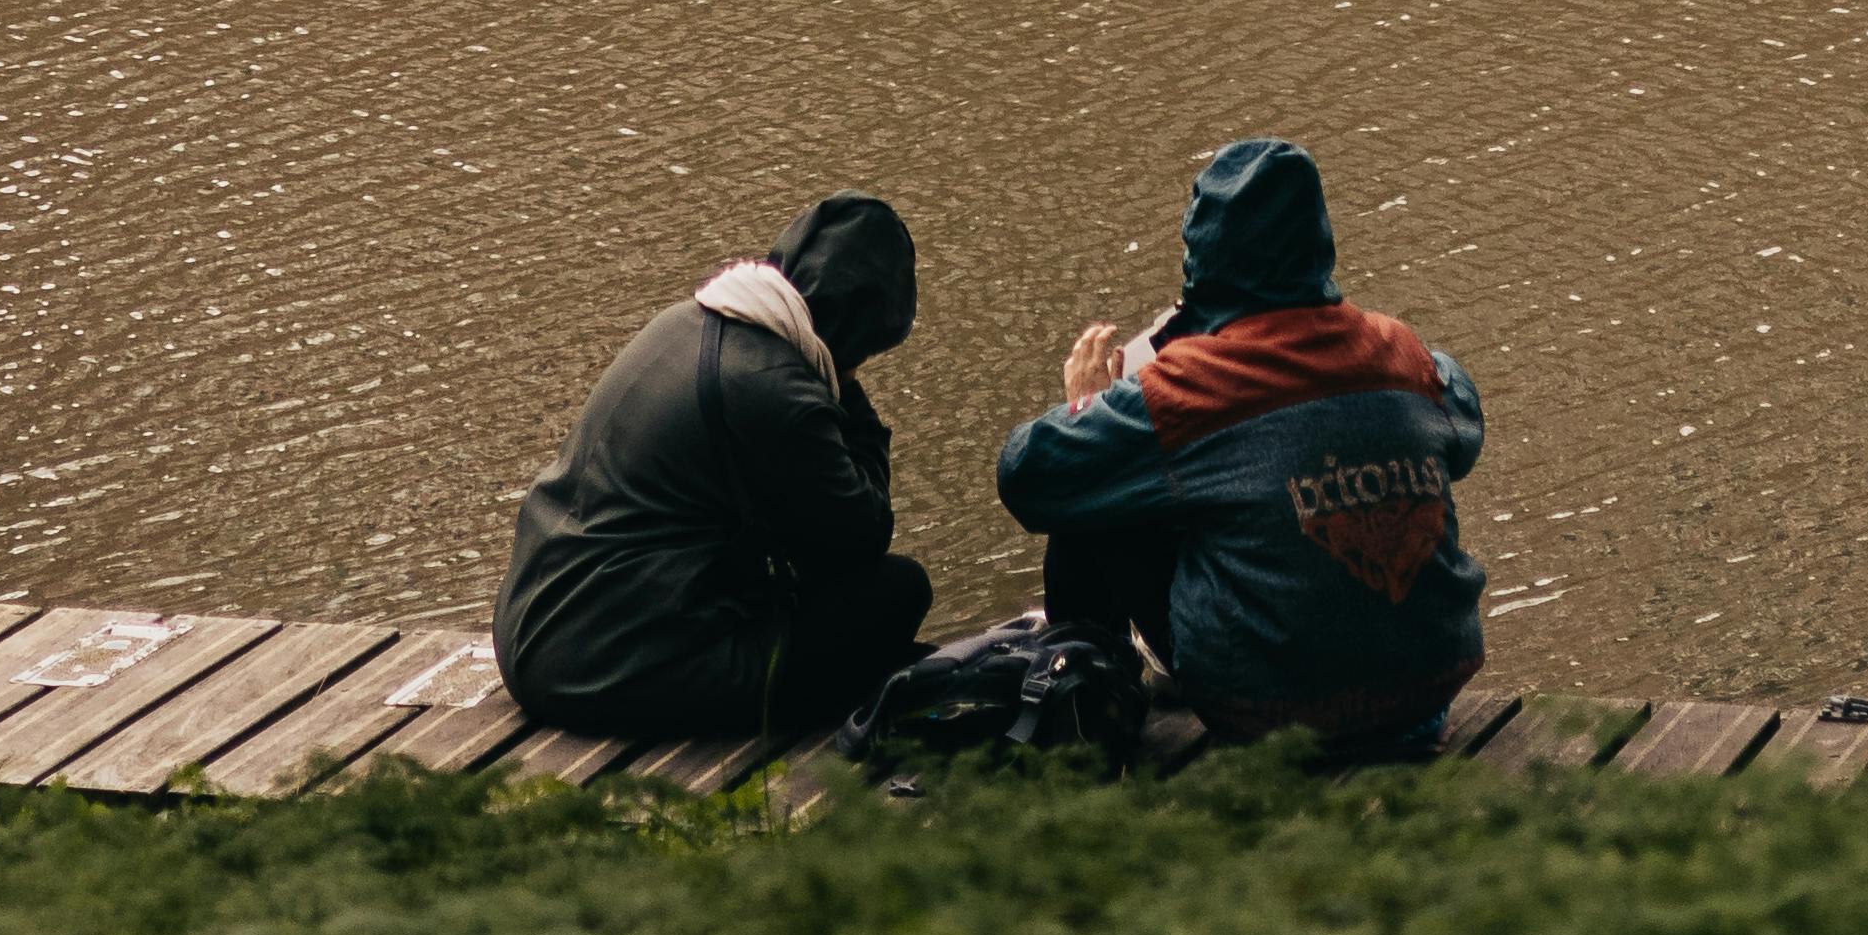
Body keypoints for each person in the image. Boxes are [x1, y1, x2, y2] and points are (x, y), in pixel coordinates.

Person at [993, 128, 1484, 749]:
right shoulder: (1404, 353)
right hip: (1426, 696)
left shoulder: (1192, 385)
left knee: (1091, 485)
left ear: (1204, 256)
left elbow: (1026, 474)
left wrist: (1090, 403)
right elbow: (1463, 422)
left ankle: (1092, 703)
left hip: (1269, 716)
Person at [493, 191, 934, 742]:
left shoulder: (680, 322)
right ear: (861, 330)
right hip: (604, 671)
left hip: (532, 633)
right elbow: (862, 536)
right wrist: (848, 393)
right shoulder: (777, 391)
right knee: (899, 590)